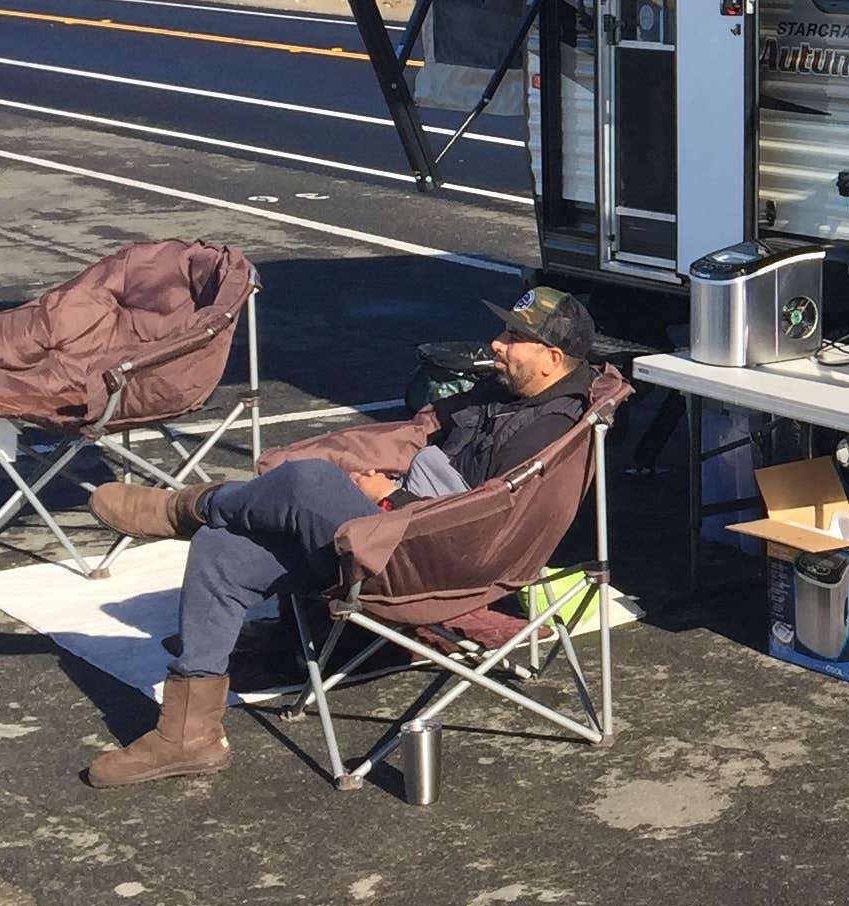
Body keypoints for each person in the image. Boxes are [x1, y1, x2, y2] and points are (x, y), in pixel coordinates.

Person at [77, 285, 601, 788]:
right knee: (223, 550)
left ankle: (186, 507)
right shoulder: (504, 392)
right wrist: (380, 480)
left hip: (428, 555)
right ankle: (187, 736)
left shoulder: (552, 429)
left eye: (513, 338)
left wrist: (390, 502)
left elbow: (484, 523)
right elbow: (420, 437)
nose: (496, 343)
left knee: (310, 480)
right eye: (502, 330)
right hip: (392, 531)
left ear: (552, 359)